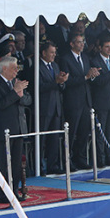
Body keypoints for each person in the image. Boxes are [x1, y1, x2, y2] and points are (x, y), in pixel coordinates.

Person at [0, 56, 31, 204]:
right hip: (4, 130)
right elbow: (1, 104)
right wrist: (14, 92)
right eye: (14, 68)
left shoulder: (16, 83)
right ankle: (3, 194)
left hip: (18, 128)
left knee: (16, 164)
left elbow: (27, 100)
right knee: (4, 164)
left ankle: (14, 192)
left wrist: (19, 93)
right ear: (4, 68)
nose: (16, 70)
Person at [61, 33, 97, 169]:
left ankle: (80, 158)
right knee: (71, 132)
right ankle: (67, 160)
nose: (82, 45)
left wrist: (92, 75)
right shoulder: (65, 59)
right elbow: (67, 81)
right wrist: (86, 77)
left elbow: (88, 78)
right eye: (79, 42)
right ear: (72, 44)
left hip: (85, 100)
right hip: (73, 101)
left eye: (83, 42)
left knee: (83, 131)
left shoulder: (85, 58)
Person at [89, 35, 110, 167]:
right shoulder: (94, 62)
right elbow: (99, 81)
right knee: (100, 132)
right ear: (100, 47)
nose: (109, 49)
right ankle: (100, 159)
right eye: (107, 47)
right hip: (101, 101)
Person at [37, 41, 67, 175]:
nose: (54, 55)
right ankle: (39, 166)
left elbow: (60, 87)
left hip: (56, 106)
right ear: (43, 53)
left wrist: (61, 82)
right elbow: (39, 87)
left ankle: (52, 165)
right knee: (41, 139)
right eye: (51, 52)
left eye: (55, 52)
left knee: (54, 138)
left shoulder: (55, 65)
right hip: (44, 107)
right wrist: (56, 82)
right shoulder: (37, 67)